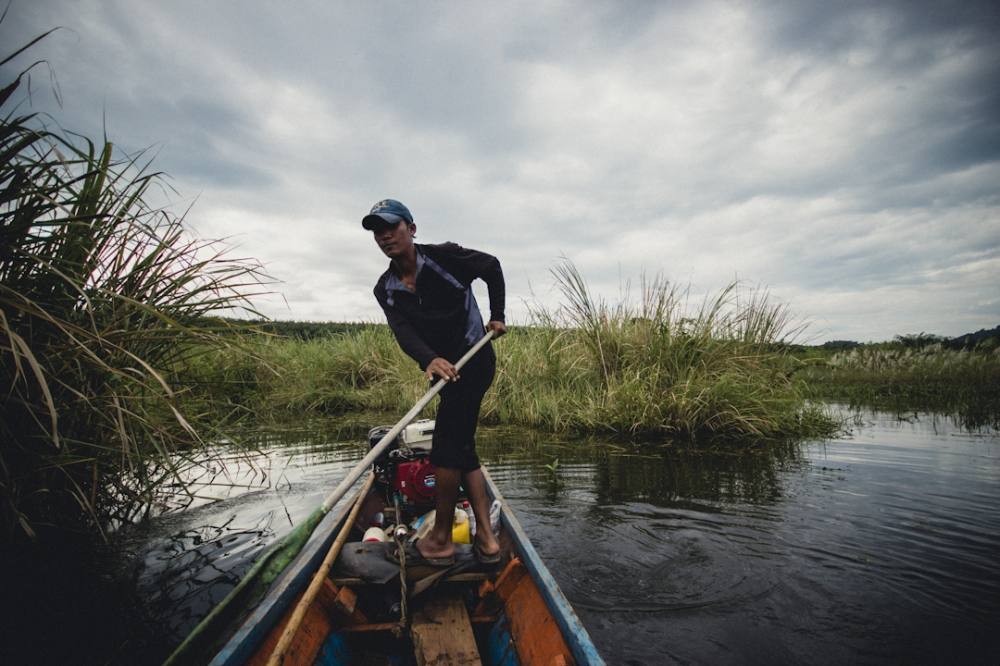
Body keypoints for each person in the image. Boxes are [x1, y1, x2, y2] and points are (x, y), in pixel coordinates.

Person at [363, 198, 506, 566]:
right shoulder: (386, 288)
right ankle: (487, 540)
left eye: (391, 227)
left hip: (474, 359)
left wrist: (497, 315)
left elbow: (491, 267)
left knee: (445, 448)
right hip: (445, 372)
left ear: (411, 229)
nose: (385, 236)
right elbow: (404, 332)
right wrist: (429, 359)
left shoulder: (445, 257)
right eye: (378, 231)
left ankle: (441, 539)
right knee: (463, 448)